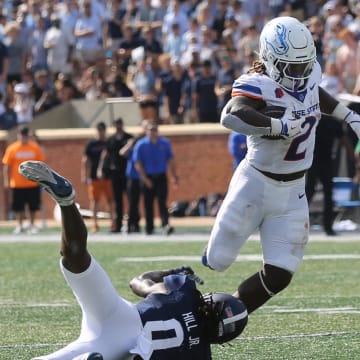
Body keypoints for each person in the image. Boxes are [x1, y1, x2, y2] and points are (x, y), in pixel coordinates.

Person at [202, 16, 360, 316]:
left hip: (293, 191)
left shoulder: (309, 73)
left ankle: (228, 314)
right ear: (271, 59)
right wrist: (278, 127)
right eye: (293, 66)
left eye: (304, 65)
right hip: (256, 184)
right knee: (217, 260)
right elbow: (231, 115)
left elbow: (315, 94)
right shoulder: (257, 83)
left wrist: (348, 115)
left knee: (281, 272)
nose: (300, 73)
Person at [18, 160, 248, 360]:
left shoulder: (185, 293)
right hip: (121, 347)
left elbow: (139, 283)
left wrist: (170, 273)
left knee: (76, 259)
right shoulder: (199, 355)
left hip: (122, 316)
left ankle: (67, 203)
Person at [133, 121, 178, 235]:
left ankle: (165, 225)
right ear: (146, 131)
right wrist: (145, 179)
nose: (153, 132)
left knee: (162, 202)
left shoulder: (164, 143)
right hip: (147, 176)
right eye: (151, 129)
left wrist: (174, 175)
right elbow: (138, 164)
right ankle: (149, 227)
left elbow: (171, 160)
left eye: (155, 129)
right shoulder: (141, 144)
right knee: (148, 203)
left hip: (161, 176)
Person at [2, 126, 45, 234]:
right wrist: (7, 180)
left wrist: (41, 179)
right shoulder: (12, 148)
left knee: (33, 206)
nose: (24, 137)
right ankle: (19, 225)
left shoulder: (34, 147)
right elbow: (7, 165)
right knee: (18, 206)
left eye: (25, 135)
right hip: (17, 183)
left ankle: (31, 225)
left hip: (32, 183)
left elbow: (40, 164)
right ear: (18, 135)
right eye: (22, 135)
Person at [97, 118, 133, 233]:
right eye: (116, 124)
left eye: (119, 124)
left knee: (131, 199)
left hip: (127, 173)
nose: (118, 126)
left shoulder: (129, 138)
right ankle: (118, 225)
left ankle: (132, 224)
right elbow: (105, 154)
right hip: (115, 173)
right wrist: (101, 168)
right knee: (117, 201)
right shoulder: (111, 140)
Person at [82, 121, 113, 233]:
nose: (101, 132)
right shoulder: (91, 144)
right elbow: (86, 160)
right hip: (94, 176)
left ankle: (112, 222)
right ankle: (95, 224)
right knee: (95, 200)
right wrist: (84, 174)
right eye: (99, 130)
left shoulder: (109, 142)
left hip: (108, 176)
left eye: (103, 130)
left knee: (110, 200)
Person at [119, 119, 148, 234]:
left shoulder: (150, 141)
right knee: (132, 202)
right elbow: (122, 153)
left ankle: (142, 225)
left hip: (144, 176)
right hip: (133, 176)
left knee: (146, 201)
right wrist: (129, 145)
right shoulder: (136, 140)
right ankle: (132, 224)